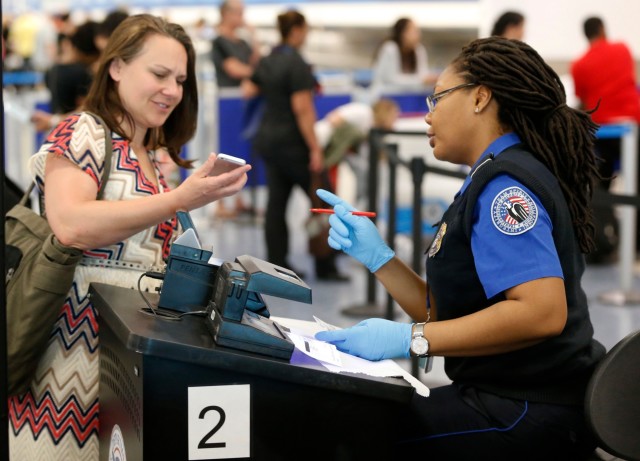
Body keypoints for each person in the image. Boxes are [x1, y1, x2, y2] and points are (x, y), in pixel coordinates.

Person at [315, 37, 605, 460]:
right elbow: (450, 315)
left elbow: (542, 312)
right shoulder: (488, 177)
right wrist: (378, 258)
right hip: (505, 396)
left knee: (349, 437)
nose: (429, 115)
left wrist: (411, 339)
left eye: (438, 98)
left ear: (480, 98)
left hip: (526, 408)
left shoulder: (506, 188)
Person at [8, 14, 250, 460]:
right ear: (116, 67)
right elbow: (72, 223)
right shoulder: (83, 131)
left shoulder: (155, 157)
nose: (172, 90)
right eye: (159, 74)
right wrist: (178, 200)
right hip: (67, 357)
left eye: (180, 79)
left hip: (124, 363)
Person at [245, 9, 346, 281]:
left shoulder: (268, 59)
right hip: (293, 143)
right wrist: (315, 148)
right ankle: (326, 266)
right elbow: (302, 109)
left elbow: (248, 89)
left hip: (269, 139)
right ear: (298, 30)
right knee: (325, 200)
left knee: (276, 204)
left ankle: (277, 267)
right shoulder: (298, 63)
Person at [571, 16, 640, 261]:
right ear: (602, 29)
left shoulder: (578, 65)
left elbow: (583, 101)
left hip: (601, 133)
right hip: (631, 127)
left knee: (599, 187)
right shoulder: (622, 49)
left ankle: (601, 246)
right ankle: (634, 247)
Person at [212, 0, 261, 218]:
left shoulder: (242, 42)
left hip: (244, 103)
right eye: (239, 12)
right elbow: (234, 69)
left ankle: (240, 198)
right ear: (227, 14)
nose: (242, 17)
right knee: (225, 151)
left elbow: (256, 64)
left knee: (242, 151)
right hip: (226, 104)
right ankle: (221, 203)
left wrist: (254, 38)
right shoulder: (219, 42)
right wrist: (252, 74)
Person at [315, 98, 399, 201]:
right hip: (321, 142)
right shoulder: (364, 112)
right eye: (393, 116)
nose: (395, 120)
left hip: (331, 152)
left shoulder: (373, 129)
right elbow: (334, 119)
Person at [31, 20, 101, 132]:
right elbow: (87, 109)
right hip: (77, 131)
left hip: (60, 130)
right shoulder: (82, 72)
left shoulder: (52, 70)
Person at [371, 17, 438, 95]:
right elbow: (391, 79)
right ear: (403, 33)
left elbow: (423, 75)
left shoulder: (419, 50)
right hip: (386, 96)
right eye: (414, 31)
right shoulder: (390, 49)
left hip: (410, 98)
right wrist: (420, 81)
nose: (419, 35)